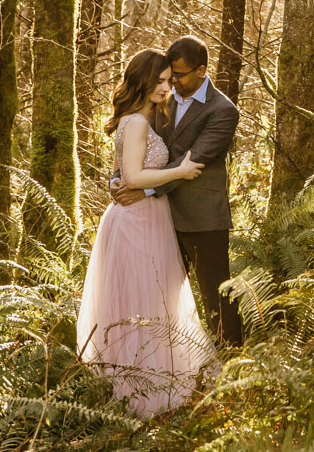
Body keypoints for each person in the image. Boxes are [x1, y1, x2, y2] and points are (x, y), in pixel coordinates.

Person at [76, 48, 214, 416]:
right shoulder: (136, 122)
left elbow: (123, 173)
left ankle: (141, 378)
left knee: (146, 298)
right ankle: (140, 388)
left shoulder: (137, 117)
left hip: (141, 215)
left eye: (170, 80)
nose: (166, 87)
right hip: (138, 218)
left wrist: (117, 181)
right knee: (144, 298)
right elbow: (134, 177)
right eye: (161, 81)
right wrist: (179, 172)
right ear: (143, 80)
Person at [111, 35, 244, 346]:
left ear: (201, 71)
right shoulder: (160, 98)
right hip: (156, 219)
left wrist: (141, 191)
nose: (172, 82)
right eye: (169, 75)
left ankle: (234, 358)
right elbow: (137, 150)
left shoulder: (223, 110)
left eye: (179, 75)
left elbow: (192, 164)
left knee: (217, 294)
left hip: (201, 218)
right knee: (159, 294)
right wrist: (117, 180)